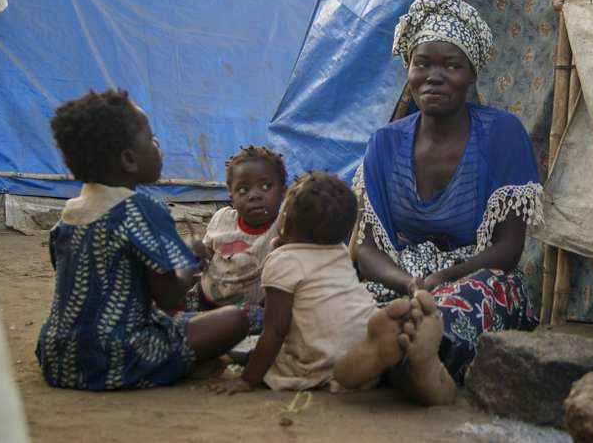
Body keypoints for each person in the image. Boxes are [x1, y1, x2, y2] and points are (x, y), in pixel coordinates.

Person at [349, 0, 544, 388]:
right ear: (408, 67)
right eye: (422, 63)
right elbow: (366, 249)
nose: (434, 76)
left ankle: (412, 354)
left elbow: (508, 249)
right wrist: (409, 283)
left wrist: (443, 280)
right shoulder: (384, 144)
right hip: (403, 283)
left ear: (471, 74)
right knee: (349, 304)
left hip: (474, 278)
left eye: (451, 65)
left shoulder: (501, 134)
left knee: (474, 301)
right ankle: (407, 355)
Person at [36, 89, 248, 390]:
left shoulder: (67, 216)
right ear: (129, 160)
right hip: (119, 356)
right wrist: (192, 258)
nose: (157, 144)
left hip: (59, 359)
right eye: (151, 138)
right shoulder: (141, 210)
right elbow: (169, 298)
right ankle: (178, 365)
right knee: (234, 320)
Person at [209, 171, 378, 393]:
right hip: (363, 349)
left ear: (286, 219)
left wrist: (247, 380)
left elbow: (275, 330)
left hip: (317, 366)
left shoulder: (283, 262)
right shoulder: (339, 250)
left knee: (250, 352)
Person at [185, 146, 286, 332]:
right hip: (205, 299)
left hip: (250, 310)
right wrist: (199, 253)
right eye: (243, 189)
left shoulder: (283, 228)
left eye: (266, 186)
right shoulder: (222, 218)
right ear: (230, 195)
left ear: (283, 191)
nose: (254, 195)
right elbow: (207, 253)